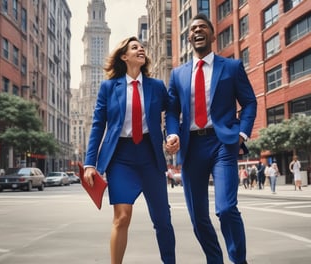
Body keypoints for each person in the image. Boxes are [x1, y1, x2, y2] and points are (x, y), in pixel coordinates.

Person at [165, 13, 256, 264]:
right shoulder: (178, 74)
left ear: (212, 35)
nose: (196, 31)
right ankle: (214, 260)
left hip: (223, 143)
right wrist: (172, 133)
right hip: (192, 146)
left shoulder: (232, 67)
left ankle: (239, 261)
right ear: (188, 38)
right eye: (192, 28)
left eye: (202, 27)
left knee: (226, 209)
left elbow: (249, 102)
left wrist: (241, 133)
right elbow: (172, 111)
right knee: (198, 217)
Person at [83, 37, 176, 264]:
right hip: (121, 158)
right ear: (124, 56)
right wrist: (89, 163)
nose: (140, 49)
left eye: (142, 47)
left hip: (150, 156)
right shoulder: (108, 87)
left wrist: (172, 133)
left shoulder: (156, 86)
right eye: (134, 47)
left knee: (162, 220)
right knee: (122, 217)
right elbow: (98, 125)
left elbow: (172, 111)